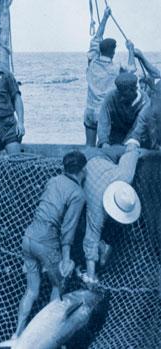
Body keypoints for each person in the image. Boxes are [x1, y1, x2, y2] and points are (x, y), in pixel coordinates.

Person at [13, 151, 87, 339]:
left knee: (31, 290)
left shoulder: (53, 180)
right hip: (47, 240)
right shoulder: (78, 194)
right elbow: (68, 229)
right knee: (59, 285)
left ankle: (17, 335)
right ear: (83, 170)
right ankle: (47, 336)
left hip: (29, 236)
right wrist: (66, 259)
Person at [80, 144, 143, 285]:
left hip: (108, 157)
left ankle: (104, 246)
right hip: (91, 156)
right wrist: (91, 277)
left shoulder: (125, 177)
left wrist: (133, 148)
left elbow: (132, 149)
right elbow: (90, 239)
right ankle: (103, 247)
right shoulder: (97, 209)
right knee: (87, 225)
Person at [83, 7, 136, 146]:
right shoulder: (117, 67)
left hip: (89, 111)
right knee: (105, 146)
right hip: (103, 114)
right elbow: (131, 72)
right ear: (113, 52)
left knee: (89, 146)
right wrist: (131, 50)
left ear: (100, 50)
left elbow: (96, 39)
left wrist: (105, 17)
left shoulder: (92, 61)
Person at [97, 73, 150, 148]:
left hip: (135, 140)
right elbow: (103, 122)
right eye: (119, 94)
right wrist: (104, 141)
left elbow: (138, 127)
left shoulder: (145, 102)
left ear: (134, 90)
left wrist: (127, 144)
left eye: (124, 95)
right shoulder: (111, 97)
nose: (121, 98)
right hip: (113, 139)